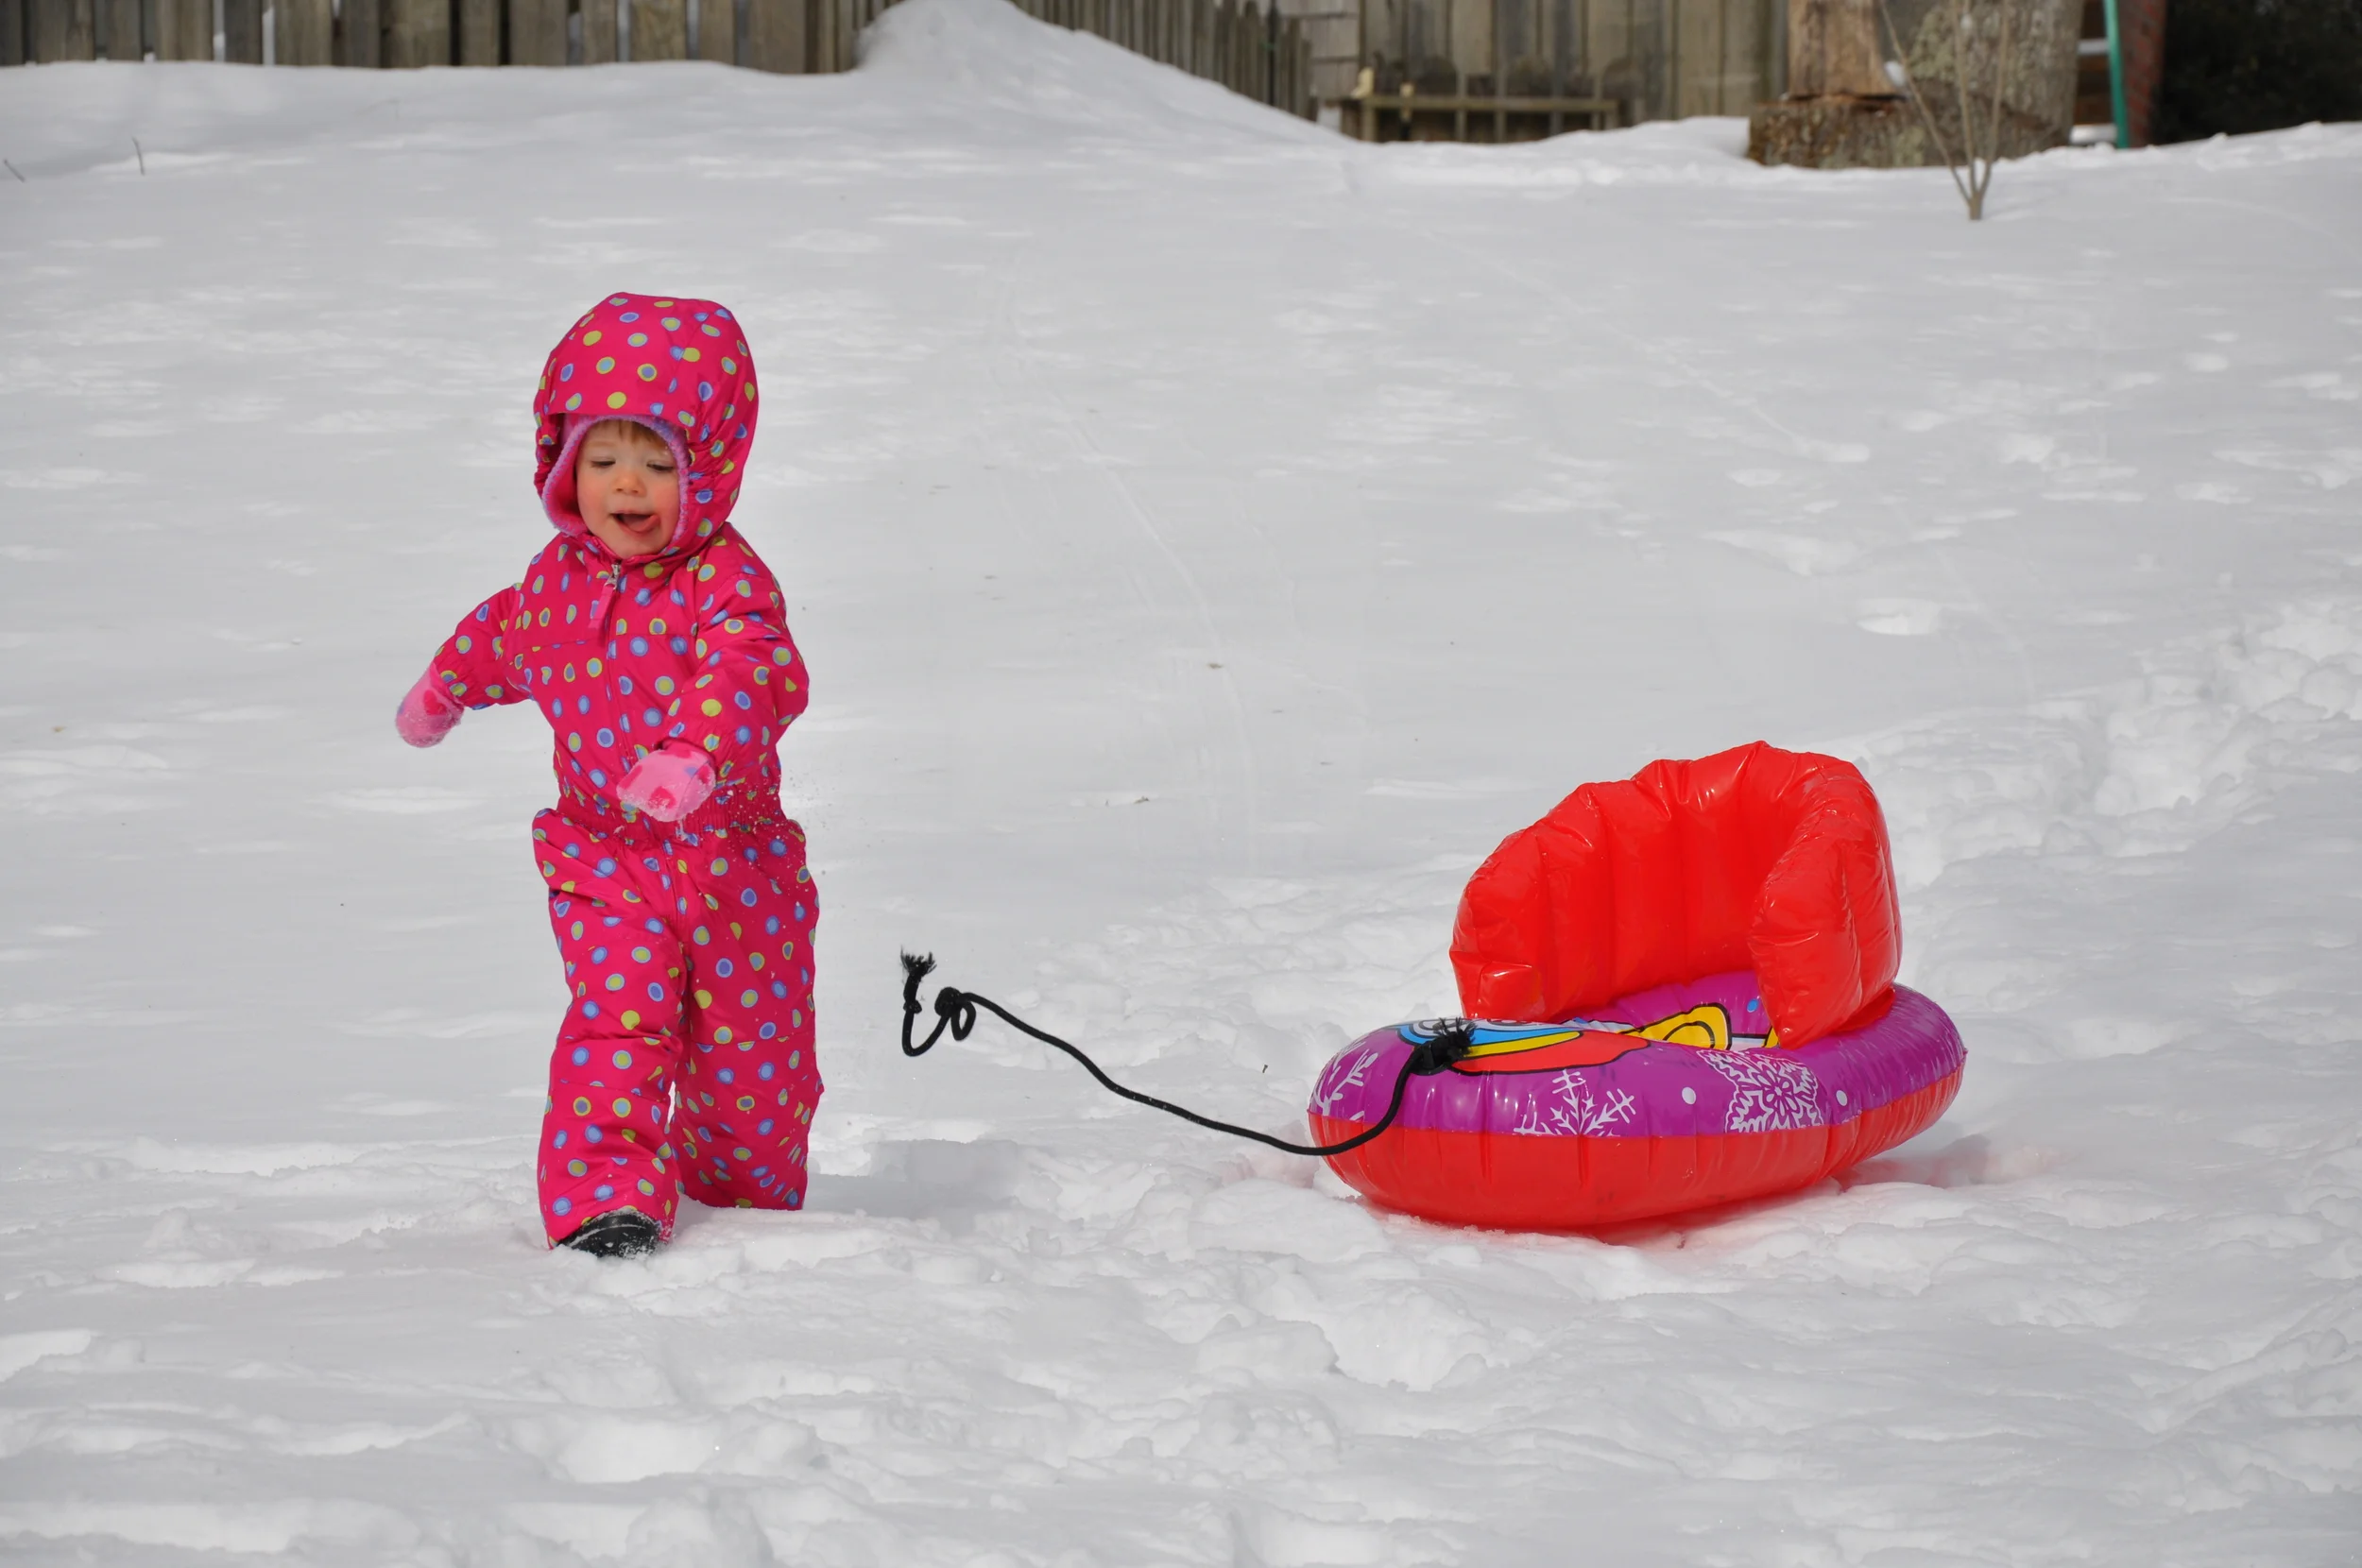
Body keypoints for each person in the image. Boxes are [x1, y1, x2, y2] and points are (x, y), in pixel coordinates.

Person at [394, 293, 818, 1258]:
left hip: (733, 862)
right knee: (615, 1029)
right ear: (561, 464)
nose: (628, 484)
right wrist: (444, 687)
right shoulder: (556, 581)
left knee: (755, 1068)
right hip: (605, 857)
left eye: (659, 461)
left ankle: (739, 1203)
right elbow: (507, 633)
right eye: (602, 458)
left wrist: (693, 753)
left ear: (708, 467)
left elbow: (756, 668)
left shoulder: (726, 582)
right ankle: (605, 1199)